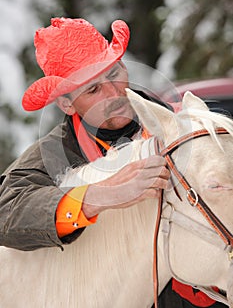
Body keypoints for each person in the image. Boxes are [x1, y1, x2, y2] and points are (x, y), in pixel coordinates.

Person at [0, 17, 226, 308]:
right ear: (67, 104)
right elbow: (6, 210)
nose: (114, 93)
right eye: (92, 90)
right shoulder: (56, 152)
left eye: (114, 73)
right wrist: (101, 194)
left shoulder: (185, 127)